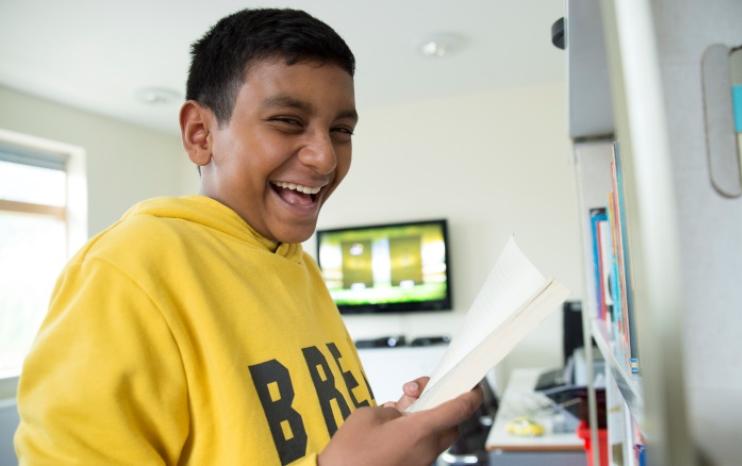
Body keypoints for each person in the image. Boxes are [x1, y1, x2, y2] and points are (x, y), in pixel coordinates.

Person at [14, 8, 481, 466]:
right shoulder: (125, 269)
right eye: (288, 121)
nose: (325, 158)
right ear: (200, 134)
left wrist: (390, 436)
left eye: (341, 130)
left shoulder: (300, 266)